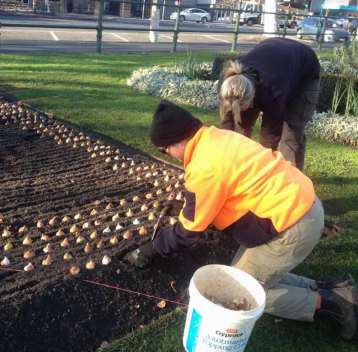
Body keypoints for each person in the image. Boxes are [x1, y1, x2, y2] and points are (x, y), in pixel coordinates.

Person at [127, 100, 358, 341]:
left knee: (240, 294)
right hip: (302, 208)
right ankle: (332, 289)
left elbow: (189, 230)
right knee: (244, 273)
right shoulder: (217, 137)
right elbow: (220, 192)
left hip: (291, 227)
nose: (168, 156)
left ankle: (332, 304)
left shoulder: (204, 167)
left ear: (178, 141)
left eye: (164, 150)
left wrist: (152, 248)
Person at [218, 38, 320, 171]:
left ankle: (291, 181)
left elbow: (270, 135)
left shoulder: (273, 90)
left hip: (304, 71)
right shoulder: (228, 84)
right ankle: (236, 168)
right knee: (241, 125)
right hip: (277, 60)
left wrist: (261, 169)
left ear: (253, 94)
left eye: (243, 107)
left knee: (291, 133)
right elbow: (226, 127)